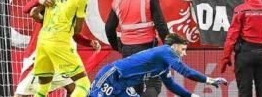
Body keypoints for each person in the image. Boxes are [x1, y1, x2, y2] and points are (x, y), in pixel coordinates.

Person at [89, 33, 228, 97]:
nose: (184, 54)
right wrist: (210, 80)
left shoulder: (163, 66)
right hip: (112, 76)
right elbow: (186, 72)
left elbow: (171, 85)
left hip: (123, 87)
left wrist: (191, 96)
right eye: (183, 49)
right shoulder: (166, 51)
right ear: (174, 47)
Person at [15, 0, 102, 97]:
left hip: (60, 58)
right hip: (38, 57)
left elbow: (75, 34)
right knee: (21, 94)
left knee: (75, 87)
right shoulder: (51, 7)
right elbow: (27, 10)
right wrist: (40, 0)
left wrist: (89, 42)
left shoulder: (69, 16)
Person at [105, 0, 170, 97]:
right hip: (148, 48)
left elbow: (109, 27)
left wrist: (117, 47)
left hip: (127, 49)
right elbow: (161, 25)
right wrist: (169, 47)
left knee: (134, 87)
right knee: (153, 84)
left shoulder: (118, 0)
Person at [30, 0, 91, 97]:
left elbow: (34, 13)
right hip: (60, 42)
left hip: (43, 41)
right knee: (84, 84)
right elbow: (77, 30)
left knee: (43, 87)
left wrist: (47, 22)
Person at [220, 0, 262, 97]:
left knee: (244, 92)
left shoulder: (240, 10)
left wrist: (226, 57)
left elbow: (232, 36)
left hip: (245, 54)